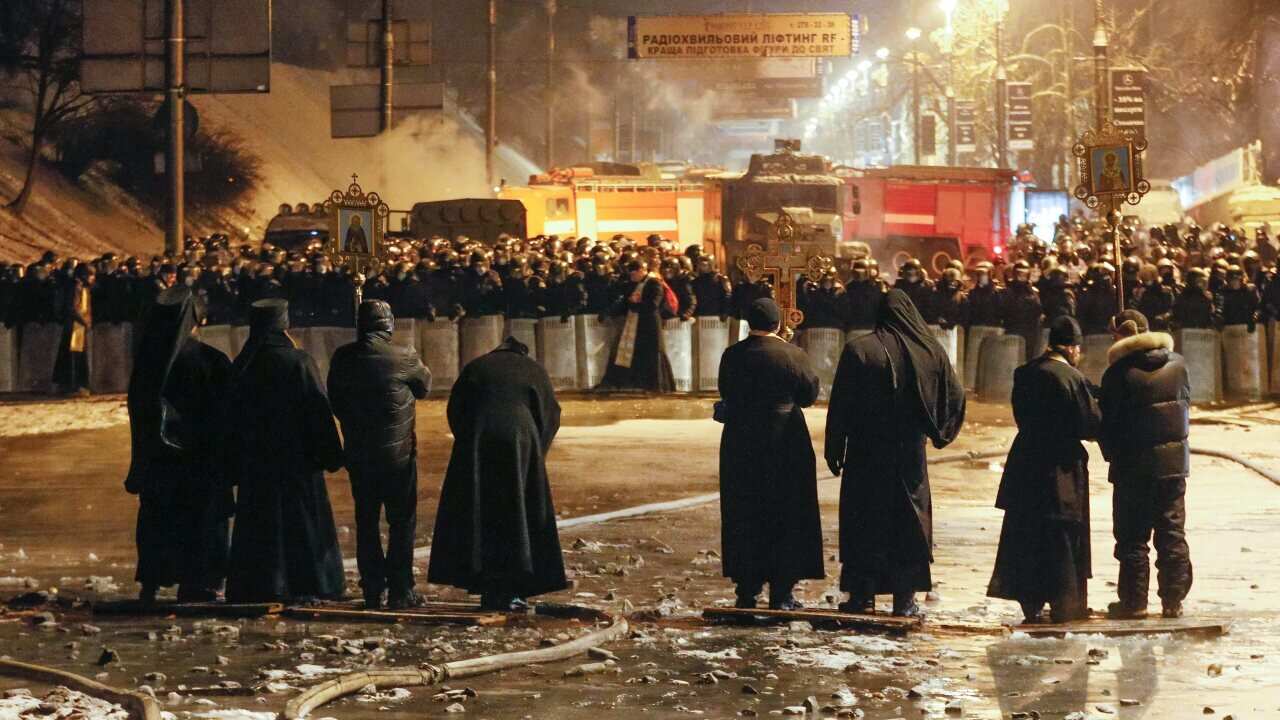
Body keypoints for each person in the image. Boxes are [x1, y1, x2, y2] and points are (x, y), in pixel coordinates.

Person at [825, 290, 966, 617]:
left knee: (865, 520)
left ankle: (861, 596)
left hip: (866, 452)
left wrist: (834, 447)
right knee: (908, 522)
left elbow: (841, 405)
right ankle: (905, 600)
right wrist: (940, 432)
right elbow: (955, 397)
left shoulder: (859, 349)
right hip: (909, 454)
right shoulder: (930, 351)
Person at [428, 336, 566, 611]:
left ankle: (487, 585)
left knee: (481, 513)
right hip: (521, 440)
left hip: (479, 441)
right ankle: (516, 584)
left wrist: (469, 444)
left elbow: (456, 410)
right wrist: (536, 452)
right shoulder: (534, 369)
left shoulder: (476, 367)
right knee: (519, 515)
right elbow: (551, 415)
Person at [225, 299, 346, 604]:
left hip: (257, 465)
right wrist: (332, 454)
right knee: (302, 524)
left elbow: (230, 420)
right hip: (297, 462)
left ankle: (261, 585)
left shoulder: (242, 365)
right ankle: (310, 583)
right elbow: (318, 410)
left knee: (261, 524)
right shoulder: (298, 361)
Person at [987, 316, 1101, 624]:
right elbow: (1089, 424)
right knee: (1061, 535)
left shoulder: (1024, 373)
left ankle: (1031, 604)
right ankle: (1064, 603)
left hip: (1026, 460)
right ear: (1072, 348)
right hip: (1060, 464)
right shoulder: (1072, 378)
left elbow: (1020, 415)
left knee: (1027, 531)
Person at [125, 287, 234, 603]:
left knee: (159, 521)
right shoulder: (210, 360)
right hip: (201, 461)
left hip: (160, 463)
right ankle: (200, 583)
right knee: (202, 522)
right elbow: (226, 413)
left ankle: (153, 580)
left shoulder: (148, 363)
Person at [716, 298, 824, 610]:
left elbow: (725, 391)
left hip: (741, 440)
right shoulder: (793, 354)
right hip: (785, 439)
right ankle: (782, 591)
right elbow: (809, 395)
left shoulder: (732, 355)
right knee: (787, 510)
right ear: (778, 323)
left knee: (744, 510)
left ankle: (747, 590)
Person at [327, 300, 432, 610]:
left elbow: (335, 400)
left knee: (367, 521)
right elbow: (424, 386)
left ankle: (373, 589)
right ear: (389, 324)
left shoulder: (343, 357)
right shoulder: (404, 354)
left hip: (360, 453)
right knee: (401, 522)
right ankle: (401, 589)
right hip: (399, 455)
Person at [1098, 309, 1193, 619]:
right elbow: (1185, 405)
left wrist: (1111, 454)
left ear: (1122, 335)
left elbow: (1107, 423)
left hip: (1131, 467)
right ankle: (1173, 601)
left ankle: (1134, 602)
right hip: (1173, 466)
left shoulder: (1117, 374)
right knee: (1171, 531)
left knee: (1132, 537)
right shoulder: (1178, 365)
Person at [598, 259, 676, 392]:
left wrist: (635, 305)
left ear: (641, 271)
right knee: (639, 355)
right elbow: (625, 303)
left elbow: (653, 304)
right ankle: (640, 383)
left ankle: (657, 384)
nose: (631, 277)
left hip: (650, 325)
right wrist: (608, 313)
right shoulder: (634, 284)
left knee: (652, 353)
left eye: (633, 274)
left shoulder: (654, 283)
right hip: (638, 325)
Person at [53, 264, 94, 395]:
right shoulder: (76, 287)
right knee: (74, 357)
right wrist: (85, 322)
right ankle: (74, 386)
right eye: (91, 275)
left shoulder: (80, 287)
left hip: (76, 325)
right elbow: (72, 308)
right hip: (74, 326)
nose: (93, 279)